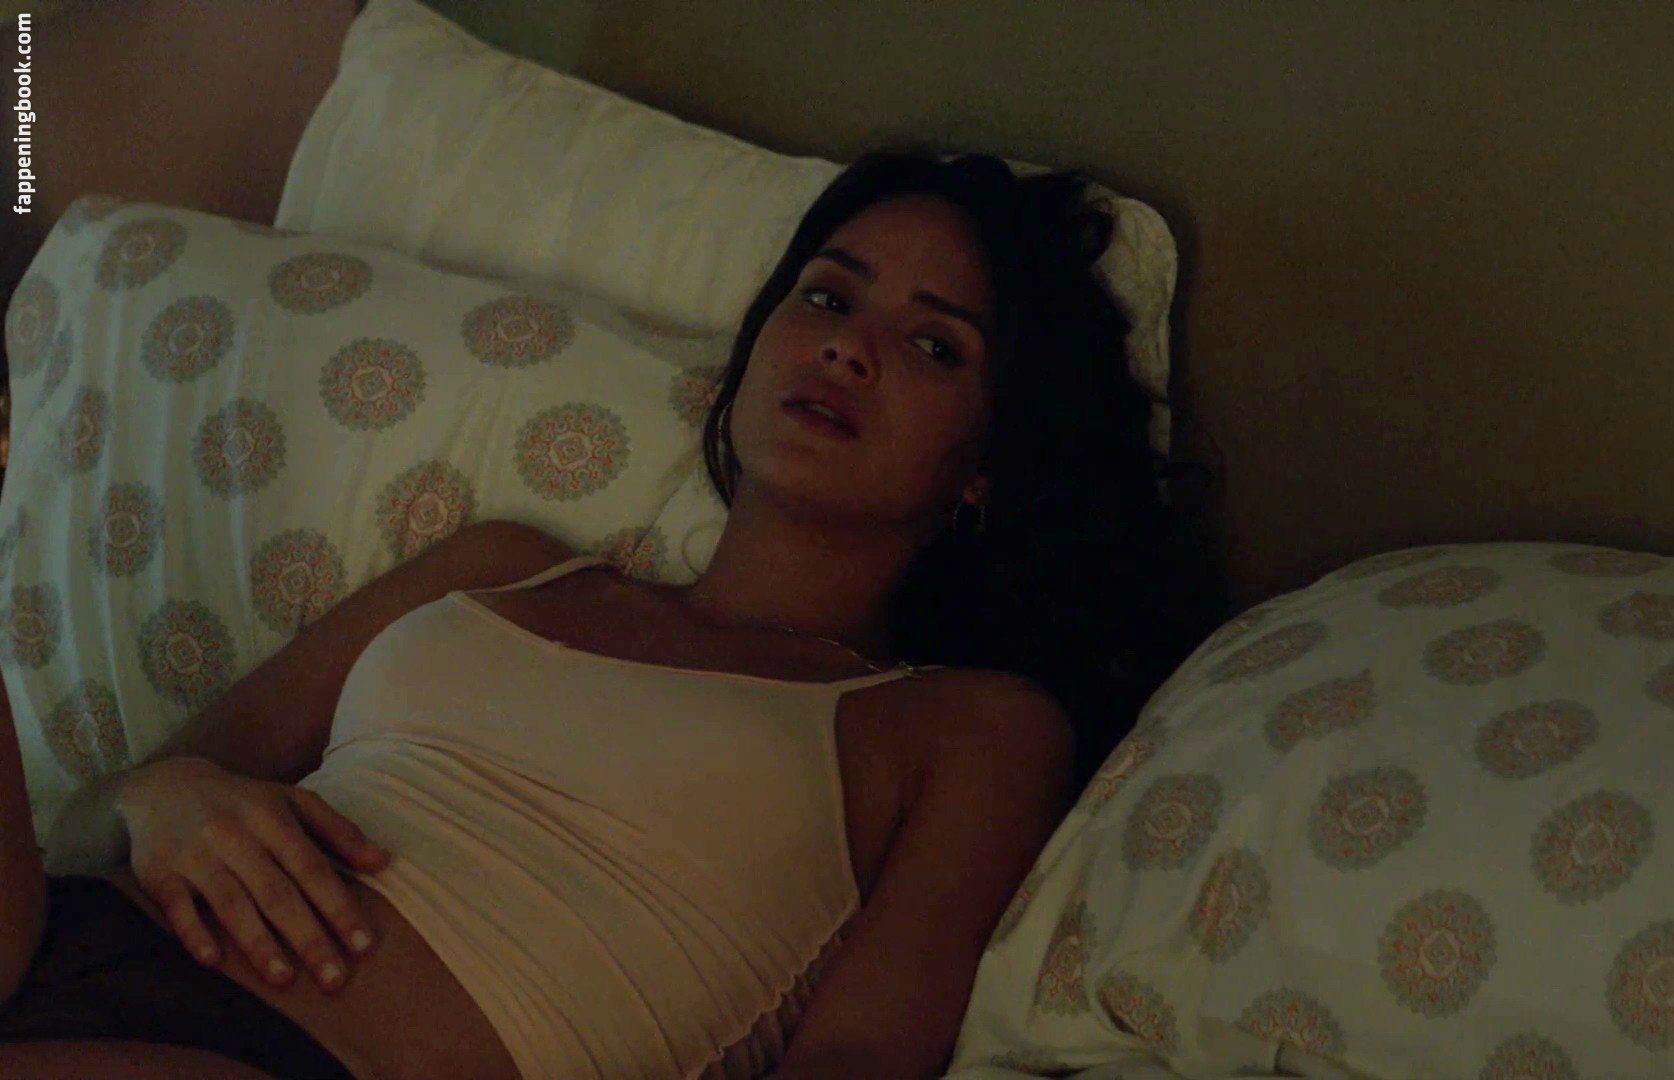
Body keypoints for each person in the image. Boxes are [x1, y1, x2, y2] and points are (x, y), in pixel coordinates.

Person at [0, 147, 1231, 1080]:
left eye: (934, 347)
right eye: (826, 298)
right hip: (80, 932)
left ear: (987, 467)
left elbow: (856, 1064)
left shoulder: (969, 730)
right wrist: (165, 800)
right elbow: (97, 809)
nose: (851, 349)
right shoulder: (503, 564)